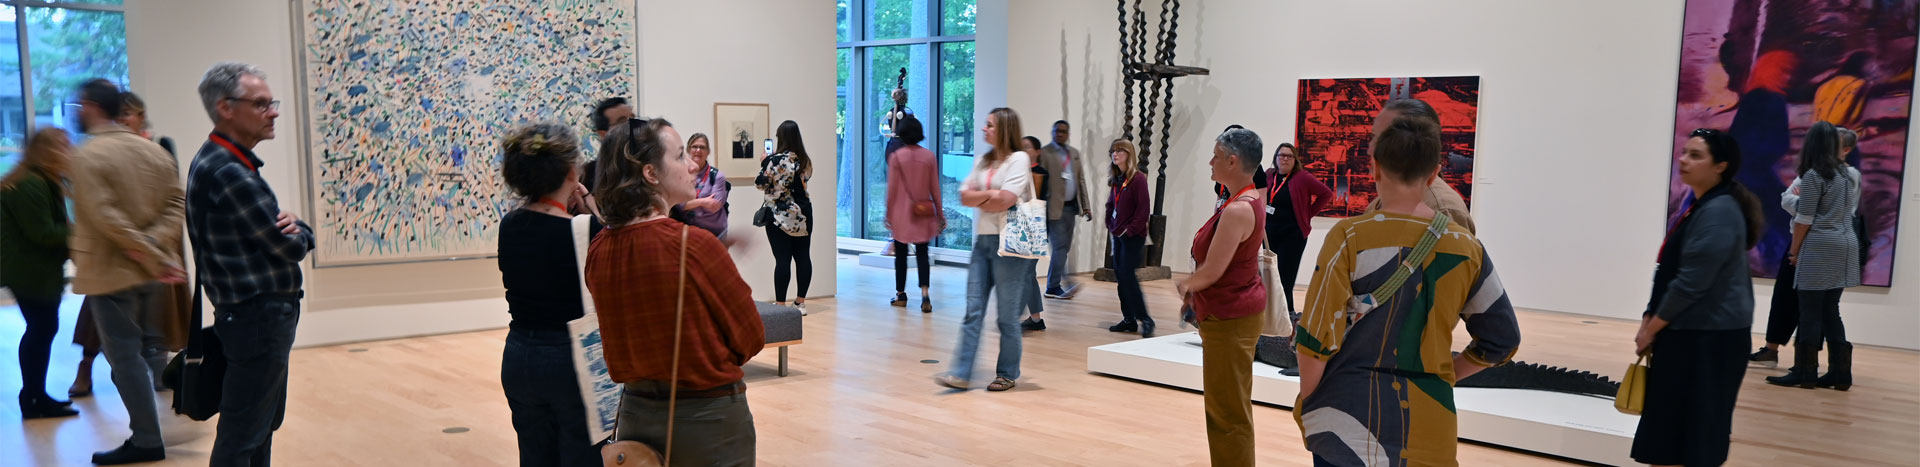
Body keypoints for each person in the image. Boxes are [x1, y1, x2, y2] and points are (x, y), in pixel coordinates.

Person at [1294, 111, 1521, 467]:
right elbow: (1503, 339)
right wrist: (1442, 375)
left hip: (1346, 421)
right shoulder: (1466, 247)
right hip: (1429, 429)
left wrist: (1310, 398)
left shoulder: (1349, 237)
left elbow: (1316, 338)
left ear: (1374, 168)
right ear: (1433, 174)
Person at [587, 117, 764, 466]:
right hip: (707, 422)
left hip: (635, 418)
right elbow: (750, 337)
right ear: (651, 174)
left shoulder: (599, 249)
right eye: (681, 155)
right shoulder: (693, 245)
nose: (693, 164)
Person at [189, 62, 316, 467]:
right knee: (244, 435)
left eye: (271, 103)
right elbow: (289, 246)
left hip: (247, 315)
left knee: (258, 427)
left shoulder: (215, 159)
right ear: (226, 108)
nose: (273, 111)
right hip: (258, 318)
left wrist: (294, 228)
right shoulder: (231, 171)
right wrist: (303, 229)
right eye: (261, 104)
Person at [66, 78, 186, 465]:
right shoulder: (154, 153)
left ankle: (148, 439)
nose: (76, 112)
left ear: (89, 106)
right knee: (147, 349)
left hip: (113, 271)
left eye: (78, 106)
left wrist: (146, 253)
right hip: (152, 273)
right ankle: (150, 426)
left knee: (126, 358)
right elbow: (175, 205)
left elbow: (106, 219)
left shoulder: (87, 156)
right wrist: (157, 253)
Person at [1631, 128, 1764, 466]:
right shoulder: (1701, 205)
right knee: (1672, 429)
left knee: (1697, 433)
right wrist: (1651, 316)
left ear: (1720, 166)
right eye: (1684, 152)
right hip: (1690, 334)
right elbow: (1673, 269)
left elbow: (1692, 282)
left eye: (1695, 155)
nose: (1683, 160)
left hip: (1708, 338)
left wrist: (1652, 328)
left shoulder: (1718, 211)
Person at [496, 123, 601, 466]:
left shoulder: (510, 225)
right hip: (570, 357)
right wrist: (589, 207)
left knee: (535, 456)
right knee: (583, 457)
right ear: (572, 172)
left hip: (519, 354)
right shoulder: (585, 227)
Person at [1178, 127, 1269, 466]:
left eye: (1216, 156)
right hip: (1230, 313)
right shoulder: (1242, 201)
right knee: (1228, 408)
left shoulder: (1238, 209)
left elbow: (1213, 271)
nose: (1210, 162)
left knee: (1227, 413)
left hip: (1230, 316)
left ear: (1233, 161)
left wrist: (1186, 284)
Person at [936, 107, 1035, 393]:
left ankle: (1007, 372)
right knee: (973, 310)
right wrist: (990, 196)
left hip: (1011, 244)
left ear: (1003, 128)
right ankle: (961, 372)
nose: (983, 129)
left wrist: (987, 197)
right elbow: (963, 196)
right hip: (983, 242)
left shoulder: (1019, 159)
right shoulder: (982, 161)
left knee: (1006, 315)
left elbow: (1005, 200)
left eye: (989, 125)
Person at [1752, 125, 1863, 368]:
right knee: (1825, 308)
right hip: (1835, 244)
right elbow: (1788, 199)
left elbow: (1804, 216)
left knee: (1814, 308)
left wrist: (1794, 251)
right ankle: (1833, 370)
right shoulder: (1840, 176)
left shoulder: (1823, 176)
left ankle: (1805, 368)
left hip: (1813, 246)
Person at [2, 128, 78, 419]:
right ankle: (32, 398)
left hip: (33, 270)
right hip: (30, 271)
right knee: (41, 329)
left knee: (42, 329)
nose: (69, 150)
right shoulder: (32, 184)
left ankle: (36, 395)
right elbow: (42, 233)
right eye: (63, 145)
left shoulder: (37, 180)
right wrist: (77, 231)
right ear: (47, 150)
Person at [119, 92, 192, 376]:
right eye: (119, 114)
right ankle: (91, 366)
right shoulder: (110, 149)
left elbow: (173, 196)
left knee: (163, 303)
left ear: (140, 115)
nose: (123, 120)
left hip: (159, 235)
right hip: (125, 236)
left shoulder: (161, 148)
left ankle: (159, 367)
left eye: (128, 113)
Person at [1361, 98, 1477, 234]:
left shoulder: (1442, 208)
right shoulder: (1382, 202)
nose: (1372, 148)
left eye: (1385, 138)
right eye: (1374, 137)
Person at [1263, 142, 1333, 315]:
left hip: (1292, 235)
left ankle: (1288, 317)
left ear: (1295, 160)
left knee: (1285, 279)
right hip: (1269, 234)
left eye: (1289, 156)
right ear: (1276, 158)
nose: (1285, 159)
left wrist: (1308, 214)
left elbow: (1326, 194)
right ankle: (1271, 318)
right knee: (1270, 277)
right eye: (1281, 155)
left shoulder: (1302, 177)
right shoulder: (1269, 175)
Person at [884, 114, 943, 313]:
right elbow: (935, 188)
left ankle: (901, 294)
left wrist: (888, 213)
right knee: (922, 254)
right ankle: (925, 293)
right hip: (923, 212)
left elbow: (891, 189)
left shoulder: (896, 157)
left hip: (901, 214)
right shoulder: (929, 157)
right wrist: (940, 213)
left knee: (900, 255)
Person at [756, 120, 814, 311]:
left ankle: (780, 303)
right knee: (803, 256)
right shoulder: (805, 160)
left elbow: (760, 183)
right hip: (803, 213)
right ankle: (800, 302)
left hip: (779, 215)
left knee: (782, 260)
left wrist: (764, 162)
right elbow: (805, 179)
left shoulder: (773, 160)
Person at [1105, 138, 1154, 337]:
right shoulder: (1117, 180)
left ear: (1129, 154)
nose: (1115, 154)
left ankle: (1146, 319)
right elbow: (1111, 206)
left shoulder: (1138, 179)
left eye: (1119, 151)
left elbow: (1143, 210)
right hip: (1117, 235)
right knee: (1121, 277)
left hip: (1132, 237)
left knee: (1128, 278)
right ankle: (1129, 319)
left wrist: (1129, 230)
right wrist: (1110, 223)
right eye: (1113, 151)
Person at [1040, 121, 1094, 299]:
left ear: (1068, 133)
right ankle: (1054, 286)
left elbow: (1081, 181)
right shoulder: (1045, 153)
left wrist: (1086, 205)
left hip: (1071, 207)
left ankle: (1059, 284)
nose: (1060, 134)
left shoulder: (1074, 154)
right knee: (1059, 247)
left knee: (1064, 247)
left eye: (1063, 131)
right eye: (1057, 131)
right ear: (1052, 132)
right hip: (1054, 208)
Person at [674, 133, 731, 239]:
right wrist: (703, 202)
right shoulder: (681, 174)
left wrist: (688, 204)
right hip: (689, 232)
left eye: (702, 147)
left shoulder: (717, 176)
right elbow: (676, 205)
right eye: (694, 146)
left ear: (708, 151)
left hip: (716, 233)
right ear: (688, 149)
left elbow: (714, 206)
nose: (698, 150)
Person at [1018, 135, 1049, 331]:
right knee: (1026, 274)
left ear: (1037, 151)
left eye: (1027, 148)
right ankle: (1035, 319)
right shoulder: (1020, 173)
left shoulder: (1038, 173)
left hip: (1033, 229)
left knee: (1026, 274)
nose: (1023, 151)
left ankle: (1035, 319)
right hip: (1020, 228)